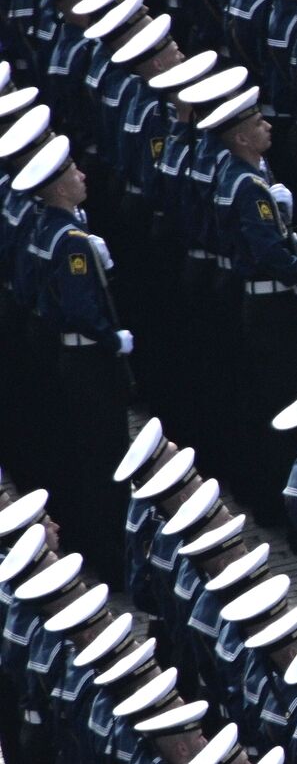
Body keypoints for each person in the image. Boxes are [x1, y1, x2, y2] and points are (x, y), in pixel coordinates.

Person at [13, 135, 130, 582]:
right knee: (105, 457)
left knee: (82, 452)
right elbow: (83, 310)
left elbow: (27, 287)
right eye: (73, 172)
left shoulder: (42, 226)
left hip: (60, 351)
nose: (82, 176)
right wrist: (112, 339)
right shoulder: (73, 241)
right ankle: (112, 554)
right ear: (57, 186)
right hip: (88, 360)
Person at [203, 83, 297, 524]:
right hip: (274, 307)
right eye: (257, 124)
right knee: (290, 403)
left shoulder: (242, 175)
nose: (266, 127)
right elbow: (267, 248)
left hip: (261, 303)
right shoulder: (248, 185)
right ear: (240, 138)